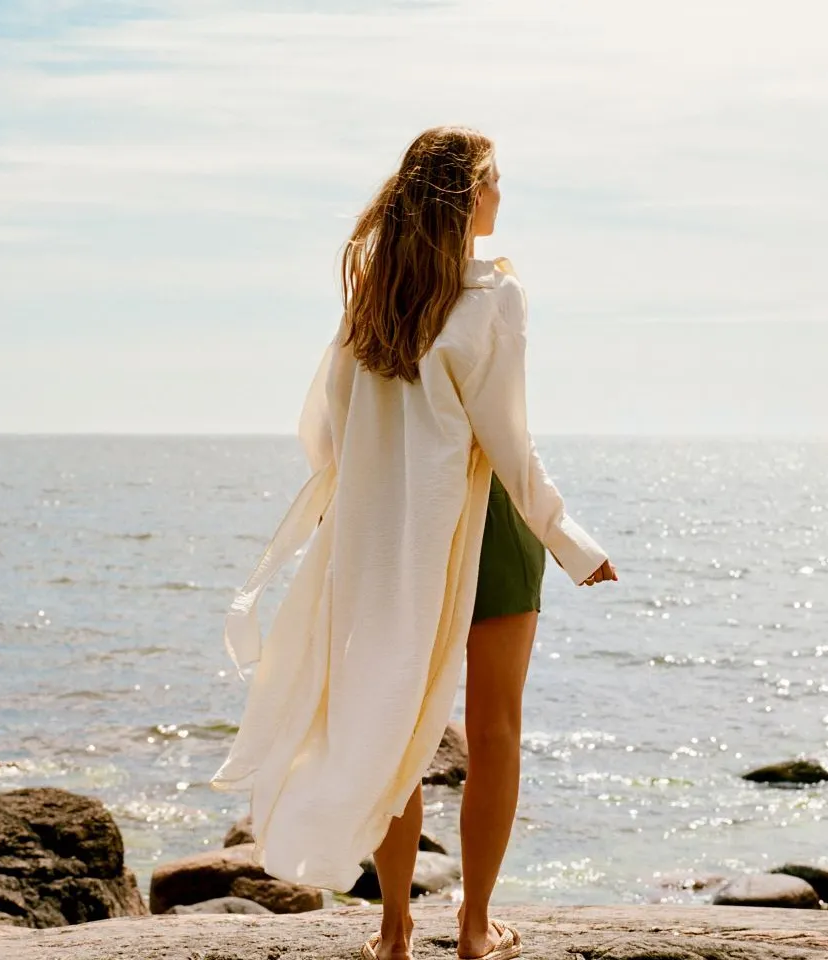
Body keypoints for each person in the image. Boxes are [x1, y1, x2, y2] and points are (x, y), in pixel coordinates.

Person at [210, 125, 618, 960]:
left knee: (392, 722)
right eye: (495, 181)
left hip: (390, 537)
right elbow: (509, 440)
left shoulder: (370, 303)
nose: (504, 194)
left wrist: (353, 513)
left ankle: (394, 928)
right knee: (495, 726)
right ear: (467, 198)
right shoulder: (494, 298)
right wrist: (569, 538)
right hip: (491, 527)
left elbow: (326, 432)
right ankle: (472, 929)